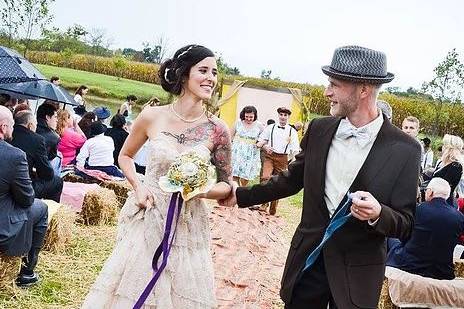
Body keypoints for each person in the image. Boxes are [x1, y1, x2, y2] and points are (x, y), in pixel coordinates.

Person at [221, 45, 421, 308]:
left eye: (334, 85)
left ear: (363, 90)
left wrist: (378, 214)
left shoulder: (406, 149)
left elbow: (406, 224)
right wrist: (240, 195)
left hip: (355, 281)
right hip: (306, 266)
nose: (327, 92)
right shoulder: (319, 129)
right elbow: (291, 180)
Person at [82, 44, 232, 308]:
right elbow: (125, 156)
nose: (211, 78)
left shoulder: (217, 129)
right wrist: (138, 187)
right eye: (204, 70)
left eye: (215, 73)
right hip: (149, 213)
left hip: (188, 223)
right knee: (136, 285)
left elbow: (226, 186)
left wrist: (200, 190)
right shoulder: (152, 116)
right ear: (184, 75)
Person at [0, 106, 48, 287]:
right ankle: (27, 272)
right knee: (41, 208)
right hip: (2, 231)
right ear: (4, 127)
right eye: (11, 126)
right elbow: (26, 199)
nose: (13, 130)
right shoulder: (14, 156)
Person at [387, 177, 464, 280]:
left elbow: (403, 236)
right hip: (442, 270)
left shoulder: (417, 210)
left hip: (409, 264)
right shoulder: (459, 217)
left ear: (430, 192)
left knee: (390, 238)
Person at [11, 111, 63, 202]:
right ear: (30, 125)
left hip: (7, 181)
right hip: (23, 187)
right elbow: (47, 174)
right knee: (57, 181)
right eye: (35, 124)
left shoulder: (8, 133)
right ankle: (49, 210)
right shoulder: (37, 140)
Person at [256, 107, 300, 215]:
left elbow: (295, 148)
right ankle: (264, 203)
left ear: (288, 117)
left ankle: (273, 209)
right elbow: (261, 140)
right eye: (281, 115)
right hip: (270, 156)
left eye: (285, 115)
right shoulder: (271, 128)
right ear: (278, 115)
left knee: (279, 183)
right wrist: (265, 147)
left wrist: (293, 160)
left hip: (283, 158)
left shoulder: (292, 131)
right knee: (265, 178)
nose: (283, 117)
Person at [230, 105, 263, 186]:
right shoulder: (238, 123)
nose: (248, 119)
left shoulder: (259, 125)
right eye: (247, 116)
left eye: (251, 117)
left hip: (251, 152)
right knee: (235, 173)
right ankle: (236, 190)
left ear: (255, 116)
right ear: (243, 115)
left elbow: (264, 137)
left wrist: (261, 143)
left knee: (246, 176)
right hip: (237, 151)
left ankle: (243, 188)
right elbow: (230, 135)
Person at [431, 134, 463, 206]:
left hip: (444, 202)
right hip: (432, 199)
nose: (442, 147)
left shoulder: (456, 166)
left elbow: (445, 186)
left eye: (444, 145)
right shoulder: (441, 162)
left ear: (450, 148)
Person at [36, 102, 60, 175]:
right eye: (55, 117)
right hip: (40, 172)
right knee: (58, 157)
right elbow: (51, 156)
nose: (57, 120)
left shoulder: (31, 129)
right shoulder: (54, 137)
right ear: (47, 117)